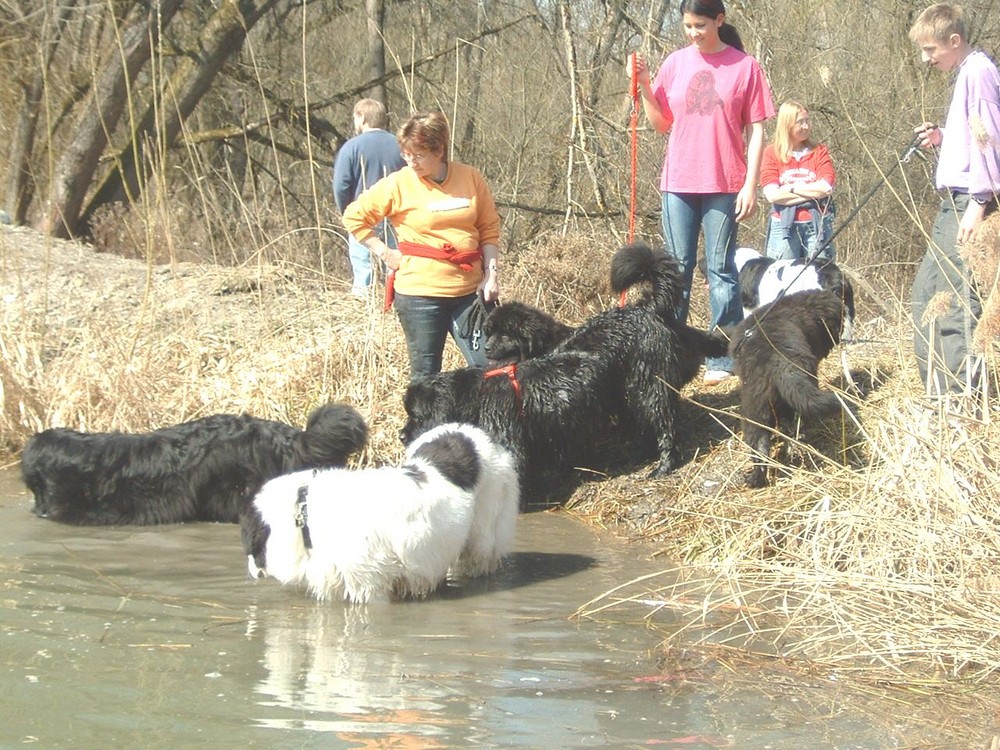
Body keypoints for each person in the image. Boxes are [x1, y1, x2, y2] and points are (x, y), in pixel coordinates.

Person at [627, 0, 775, 385]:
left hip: (725, 183)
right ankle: (673, 354)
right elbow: (661, 123)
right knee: (676, 270)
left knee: (721, 269)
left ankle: (723, 356)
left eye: (701, 25)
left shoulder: (745, 67)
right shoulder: (675, 63)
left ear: (719, 20)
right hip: (678, 182)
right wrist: (644, 85)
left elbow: (758, 130)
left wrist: (750, 185)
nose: (693, 33)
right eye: (688, 25)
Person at [342, 111, 501, 381]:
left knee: (492, 370)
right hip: (420, 296)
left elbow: (489, 228)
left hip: (470, 293)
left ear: (439, 149)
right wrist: (385, 252)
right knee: (426, 380)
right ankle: (426, 424)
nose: (411, 162)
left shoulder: (471, 178)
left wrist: (491, 275)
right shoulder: (398, 184)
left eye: (418, 155)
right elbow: (353, 217)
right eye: (406, 154)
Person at [909, 3, 1000, 397]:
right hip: (955, 201)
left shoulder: (979, 72)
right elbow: (973, 136)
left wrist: (979, 203)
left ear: (954, 41)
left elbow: (991, 140)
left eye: (931, 50)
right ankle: (937, 393)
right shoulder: (966, 72)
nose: (926, 58)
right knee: (926, 296)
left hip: (968, 203)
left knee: (957, 302)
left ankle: (964, 397)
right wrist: (943, 138)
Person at [333, 99, 406, 297]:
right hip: (397, 216)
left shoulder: (351, 147)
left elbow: (341, 185)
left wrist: (347, 212)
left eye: (355, 118)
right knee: (395, 267)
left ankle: (364, 307)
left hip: (363, 216)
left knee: (363, 269)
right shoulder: (400, 145)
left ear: (362, 117)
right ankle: (395, 302)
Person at [760, 100, 837, 261]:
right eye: (800, 122)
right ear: (787, 124)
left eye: (807, 121)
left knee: (819, 278)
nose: (806, 126)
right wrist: (812, 192)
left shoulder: (819, 152)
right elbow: (772, 195)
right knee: (782, 279)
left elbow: (825, 188)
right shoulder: (771, 153)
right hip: (783, 227)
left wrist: (791, 189)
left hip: (817, 226)